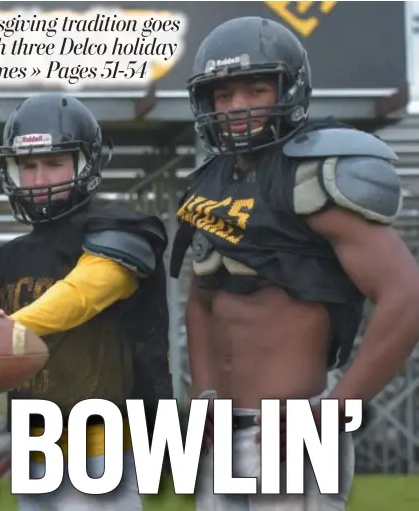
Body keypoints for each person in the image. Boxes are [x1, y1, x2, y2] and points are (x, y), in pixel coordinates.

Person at [169, 16, 419, 511]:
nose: (237, 107)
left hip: (293, 429)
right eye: (223, 95)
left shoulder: (318, 173)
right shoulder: (208, 183)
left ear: (289, 91)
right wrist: (203, 397)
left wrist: (335, 411)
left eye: (255, 90)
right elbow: (202, 300)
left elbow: (406, 296)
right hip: (223, 430)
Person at [0, 93, 173, 511]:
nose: (39, 179)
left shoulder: (122, 229)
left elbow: (83, 294)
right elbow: (28, 359)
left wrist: (2, 330)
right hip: (39, 445)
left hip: (101, 447)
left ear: (86, 163)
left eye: (54, 163)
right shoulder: (11, 259)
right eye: (28, 165)